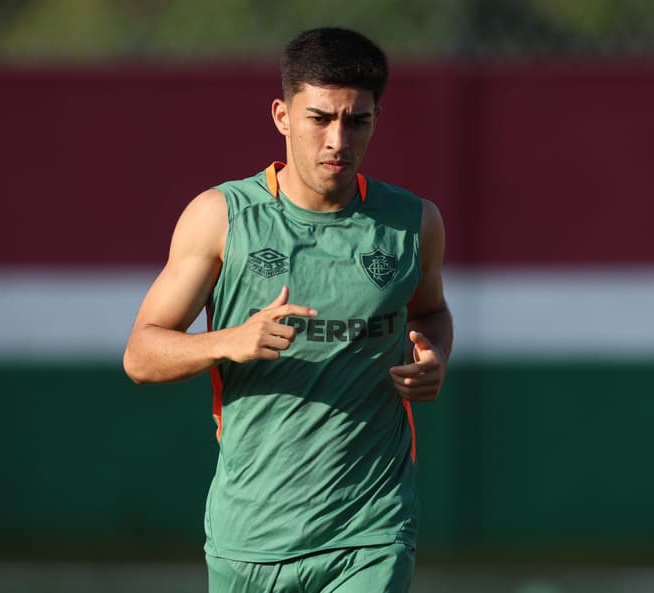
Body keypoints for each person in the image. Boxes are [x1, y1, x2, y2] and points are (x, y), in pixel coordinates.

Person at [123, 26, 453, 593]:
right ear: (282, 115)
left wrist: (433, 355)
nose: (337, 140)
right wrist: (228, 341)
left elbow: (431, 312)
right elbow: (141, 354)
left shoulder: (413, 223)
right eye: (319, 118)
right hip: (251, 532)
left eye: (356, 120)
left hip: (371, 526)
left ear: (376, 119)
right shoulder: (220, 218)